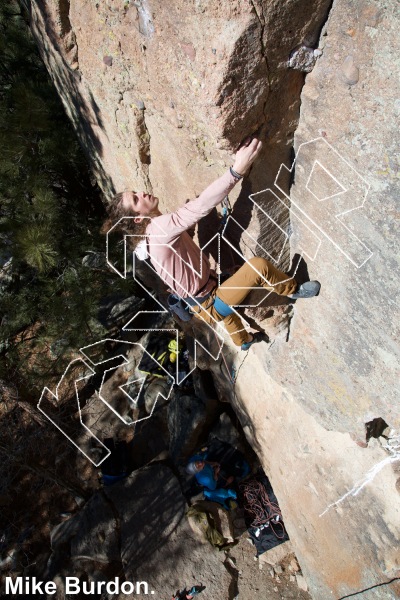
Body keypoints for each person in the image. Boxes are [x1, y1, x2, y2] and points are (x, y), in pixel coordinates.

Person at [103, 138, 320, 349]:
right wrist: (236, 171)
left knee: (227, 314)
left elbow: (178, 244)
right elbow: (200, 206)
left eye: (135, 193)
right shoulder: (158, 229)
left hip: (202, 303)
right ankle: (293, 290)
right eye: (136, 199)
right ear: (138, 218)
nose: (141, 193)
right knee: (258, 268)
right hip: (209, 300)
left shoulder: (147, 242)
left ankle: (244, 342)